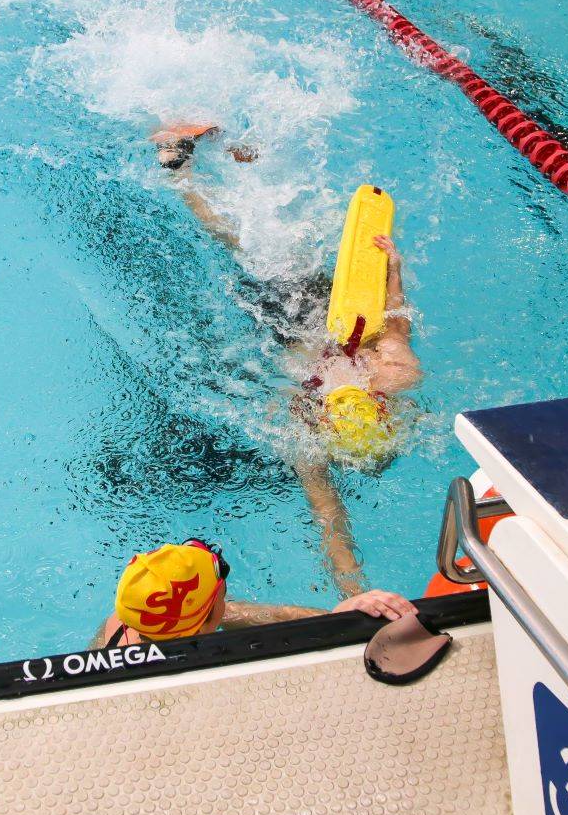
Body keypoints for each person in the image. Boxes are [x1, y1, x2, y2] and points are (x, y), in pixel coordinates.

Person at [149, 126, 423, 597]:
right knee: (257, 237)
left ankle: (187, 168)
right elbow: (395, 320)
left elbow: (328, 516)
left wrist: (355, 596)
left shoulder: (314, 408)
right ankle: (216, 161)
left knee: (250, 240)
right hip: (329, 309)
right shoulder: (392, 373)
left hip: (293, 313)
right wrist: (392, 271)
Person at [93, 540, 417, 649]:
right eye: (221, 592)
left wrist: (338, 616)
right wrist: (337, 622)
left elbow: (266, 616)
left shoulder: (121, 625)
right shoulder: (211, 662)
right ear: (207, 621)